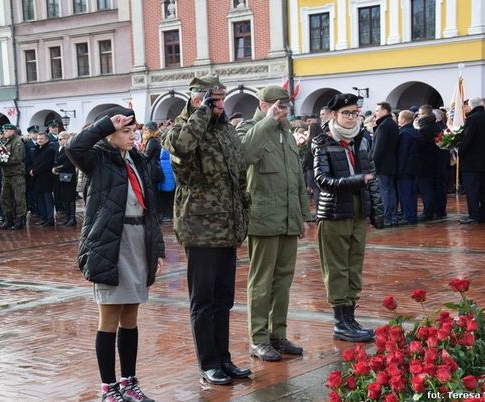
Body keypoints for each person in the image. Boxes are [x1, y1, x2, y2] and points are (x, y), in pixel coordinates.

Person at [66, 106, 164, 402]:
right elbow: (74, 147)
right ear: (110, 134)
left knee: (130, 316)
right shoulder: (97, 158)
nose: (133, 135)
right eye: (126, 131)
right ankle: (108, 389)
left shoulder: (134, 158)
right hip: (111, 243)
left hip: (137, 240)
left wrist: (156, 247)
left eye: (134, 130)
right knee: (109, 316)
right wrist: (105, 124)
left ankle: (129, 383)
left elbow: (152, 197)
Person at [163, 75, 251, 385]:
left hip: (227, 226)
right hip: (200, 228)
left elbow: (239, 174)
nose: (220, 104)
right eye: (214, 98)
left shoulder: (226, 130)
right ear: (198, 99)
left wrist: (244, 208)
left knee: (223, 298)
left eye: (222, 98)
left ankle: (224, 358)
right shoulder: (181, 131)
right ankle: (208, 362)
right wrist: (198, 112)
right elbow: (181, 148)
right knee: (203, 299)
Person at [238, 85, 312, 361]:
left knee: (283, 281)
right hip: (263, 219)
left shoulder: (287, 134)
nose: (281, 109)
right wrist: (268, 121)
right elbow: (243, 155)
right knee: (261, 282)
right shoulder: (251, 129)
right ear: (263, 104)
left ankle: (276, 334)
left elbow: (297, 179)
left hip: (287, 218)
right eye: (276, 105)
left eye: (284, 105)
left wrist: (303, 215)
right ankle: (258, 339)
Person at [312, 93, 383, 343]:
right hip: (333, 211)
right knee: (337, 268)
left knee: (354, 264)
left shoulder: (362, 139)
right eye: (346, 114)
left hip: (358, 209)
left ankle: (350, 317)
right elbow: (322, 180)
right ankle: (340, 321)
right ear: (334, 115)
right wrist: (355, 181)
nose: (352, 118)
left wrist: (376, 210)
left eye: (355, 113)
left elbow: (371, 173)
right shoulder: (323, 141)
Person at [371, 102, 399, 227]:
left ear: (384, 111)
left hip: (382, 164)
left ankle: (387, 217)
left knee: (385, 191)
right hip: (391, 162)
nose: (375, 113)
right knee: (390, 190)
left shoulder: (383, 126)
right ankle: (393, 216)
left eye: (377, 111)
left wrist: (372, 163)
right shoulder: (392, 124)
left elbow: (378, 148)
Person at [458, 97, 485, 224]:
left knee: (472, 189)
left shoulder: (472, 119)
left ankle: (474, 215)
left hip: (472, 161)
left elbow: (467, 139)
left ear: (472, 106)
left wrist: (460, 151)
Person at [0, 124, 27, 230]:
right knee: (4, 198)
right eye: (4, 130)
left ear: (12, 131)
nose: (4, 132)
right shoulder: (6, 142)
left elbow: (17, 158)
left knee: (19, 198)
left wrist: (2, 162)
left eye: (7, 130)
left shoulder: (17, 142)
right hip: (6, 175)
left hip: (16, 174)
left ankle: (20, 220)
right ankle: (9, 219)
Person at [396, 110, 419, 225]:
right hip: (414, 167)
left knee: (405, 193)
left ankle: (408, 216)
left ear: (403, 120)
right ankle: (412, 214)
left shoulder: (404, 133)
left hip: (405, 168)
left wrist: (399, 170)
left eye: (399, 117)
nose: (398, 119)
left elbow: (402, 153)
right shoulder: (415, 131)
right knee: (412, 193)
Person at [30, 132, 56, 227]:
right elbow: (34, 162)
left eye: (41, 139)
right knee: (40, 200)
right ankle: (43, 217)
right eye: (38, 139)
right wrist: (31, 170)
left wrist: (34, 171)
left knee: (47, 200)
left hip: (46, 179)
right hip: (37, 179)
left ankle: (50, 219)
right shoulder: (37, 149)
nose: (39, 140)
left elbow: (46, 165)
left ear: (47, 140)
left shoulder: (50, 150)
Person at [52, 131, 77, 226]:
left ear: (66, 139)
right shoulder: (59, 148)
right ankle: (67, 217)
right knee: (64, 198)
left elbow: (69, 163)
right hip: (60, 176)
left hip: (68, 175)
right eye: (58, 139)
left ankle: (72, 218)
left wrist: (57, 169)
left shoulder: (69, 148)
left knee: (70, 198)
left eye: (61, 139)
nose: (58, 141)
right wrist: (54, 168)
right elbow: (55, 160)